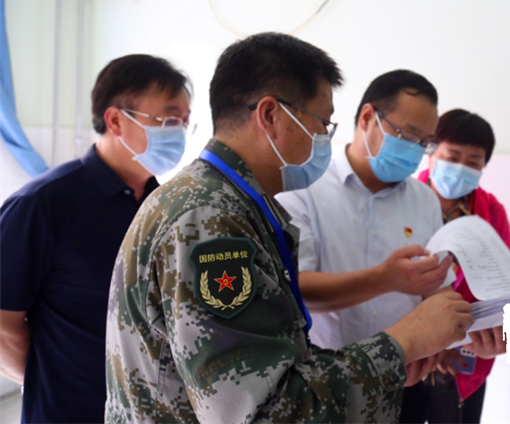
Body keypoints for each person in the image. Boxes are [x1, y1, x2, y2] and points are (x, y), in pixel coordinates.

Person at [104, 33, 473, 423]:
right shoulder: (210, 220)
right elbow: (262, 410)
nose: (324, 139)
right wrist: (400, 344)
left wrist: (398, 359)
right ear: (270, 115)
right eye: (322, 123)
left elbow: (271, 365)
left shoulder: (234, 203)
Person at [0, 55, 192, 423]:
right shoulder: (42, 204)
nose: (179, 133)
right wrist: (52, 382)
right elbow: (2, 322)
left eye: (185, 122)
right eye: (169, 120)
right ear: (116, 120)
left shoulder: (164, 206)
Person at [276, 69, 462, 422]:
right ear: (367, 118)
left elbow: (436, 287)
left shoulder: (424, 199)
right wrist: (386, 279)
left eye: (425, 142)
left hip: (404, 378)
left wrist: (463, 325)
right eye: (407, 135)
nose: (415, 151)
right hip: (328, 379)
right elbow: (298, 289)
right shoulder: (304, 187)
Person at [411, 109, 510, 424]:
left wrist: (496, 338)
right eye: (452, 157)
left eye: (473, 163)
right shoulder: (401, 200)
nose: (460, 169)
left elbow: (508, 288)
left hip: (462, 362)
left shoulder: (492, 213)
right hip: (406, 355)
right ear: (432, 151)